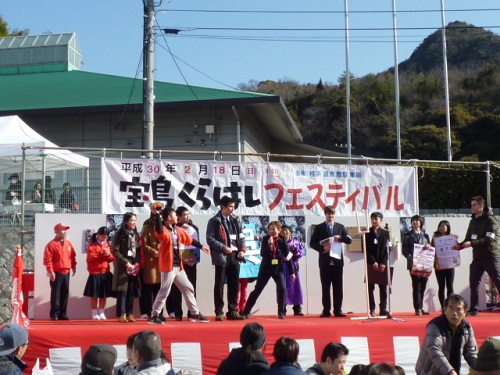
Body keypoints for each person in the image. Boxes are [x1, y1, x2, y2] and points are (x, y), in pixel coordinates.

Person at [149, 207, 210, 324]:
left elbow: (190, 240)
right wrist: (157, 215)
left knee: (188, 288)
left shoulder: (177, 229)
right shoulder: (163, 229)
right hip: (168, 265)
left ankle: (194, 313)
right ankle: (155, 314)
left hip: (178, 266)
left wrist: (202, 247)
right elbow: (159, 231)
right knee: (164, 290)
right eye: (175, 215)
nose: (177, 217)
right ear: (169, 218)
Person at [456, 196, 500, 316]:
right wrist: (459, 246)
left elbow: (489, 239)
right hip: (477, 258)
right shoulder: (473, 221)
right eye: (471, 205)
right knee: (474, 283)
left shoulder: (491, 220)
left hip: (491, 256)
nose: (472, 207)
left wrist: (472, 243)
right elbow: (468, 239)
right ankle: (473, 309)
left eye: (474, 205)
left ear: (481, 206)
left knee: (498, 281)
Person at [243, 221, 295, 319]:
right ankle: (246, 311)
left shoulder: (282, 240)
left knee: (282, 288)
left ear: (278, 230)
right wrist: (269, 245)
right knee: (257, 289)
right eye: (270, 229)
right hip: (265, 269)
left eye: (273, 229)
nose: (271, 231)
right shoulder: (265, 239)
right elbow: (263, 253)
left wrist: (292, 272)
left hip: (277, 268)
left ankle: (281, 312)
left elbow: (288, 256)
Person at [415, 294, 477, 375]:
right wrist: (449, 371)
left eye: (459, 309)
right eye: (451, 308)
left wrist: (479, 369)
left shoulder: (467, 327)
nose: (454, 313)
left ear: (465, 312)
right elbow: (434, 350)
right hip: (429, 371)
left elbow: (471, 352)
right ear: (445, 310)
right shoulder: (435, 326)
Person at [206, 196, 246, 321]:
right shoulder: (214, 221)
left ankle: (233, 310)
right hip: (222, 255)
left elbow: (242, 236)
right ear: (222, 206)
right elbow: (210, 239)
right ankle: (219, 311)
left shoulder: (235, 220)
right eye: (230, 206)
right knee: (219, 284)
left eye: (234, 206)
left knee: (234, 284)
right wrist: (223, 247)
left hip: (235, 255)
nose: (232, 209)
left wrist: (242, 250)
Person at [309, 205, 352, 318]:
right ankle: (326, 310)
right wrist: (323, 248)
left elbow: (349, 240)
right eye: (328, 213)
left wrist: (340, 238)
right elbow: (312, 243)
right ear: (325, 214)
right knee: (325, 287)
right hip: (325, 261)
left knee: (338, 287)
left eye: (332, 213)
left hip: (337, 262)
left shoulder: (340, 227)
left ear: (334, 214)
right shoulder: (319, 228)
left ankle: (338, 310)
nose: (330, 215)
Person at [168, 206, 202, 321]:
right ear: (178, 217)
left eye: (189, 214)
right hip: (179, 261)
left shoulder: (194, 228)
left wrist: (194, 259)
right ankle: (178, 313)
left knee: (191, 287)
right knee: (177, 288)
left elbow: (195, 244)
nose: (188, 217)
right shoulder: (174, 228)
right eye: (185, 215)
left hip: (192, 261)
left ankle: (192, 312)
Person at [43, 222, 77, 320]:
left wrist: (74, 266)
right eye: (62, 230)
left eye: (65, 230)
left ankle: (63, 313)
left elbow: (72, 256)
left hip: (66, 272)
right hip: (57, 272)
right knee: (56, 294)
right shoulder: (51, 245)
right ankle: (55, 314)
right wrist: (51, 271)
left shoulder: (68, 243)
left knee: (65, 293)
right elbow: (47, 260)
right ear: (56, 231)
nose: (65, 232)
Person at [112, 212, 141, 323]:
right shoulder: (119, 234)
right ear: (126, 221)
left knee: (130, 291)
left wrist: (136, 262)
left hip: (133, 265)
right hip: (123, 266)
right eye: (131, 221)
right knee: (123, 291)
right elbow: (115, 251)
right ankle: (122, 314)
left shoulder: (135, 234)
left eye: (135, 221)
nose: (133, 223)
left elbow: (137, 249)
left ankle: (129, 313)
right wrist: (126, 263)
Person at [83, 226, 115, 320]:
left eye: (105, 237)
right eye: (102, 236)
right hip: (95, 272)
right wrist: (102, 253)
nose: (103, 238)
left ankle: (101, 311)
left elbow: (111, 259)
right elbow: (90, 257)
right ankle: (94, 312)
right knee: (94, 295)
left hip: (105, 271)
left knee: (103, 294)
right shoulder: (92, 245)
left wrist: (108, 254)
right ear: (98, 235)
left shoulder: (108, 245)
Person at [402, 214, 431, 316]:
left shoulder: (426, 236)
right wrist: (412, 259)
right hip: (413, 264)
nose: (415, 222)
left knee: (423, 286)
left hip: (424, 264)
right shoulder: (407, 235)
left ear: (421, 223)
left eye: (417, 221)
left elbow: (430, 249)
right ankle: (417, 308)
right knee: (416, 286)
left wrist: (429, 246)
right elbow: (404, 250)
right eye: (413, 221)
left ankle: (421, 306)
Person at [364, 212, 391, 317]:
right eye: (373, 219)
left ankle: (383, 308)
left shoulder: (385, 233)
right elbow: (366, 249)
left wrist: (383, 262)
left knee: (383, 287)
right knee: (370, 287)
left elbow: (387, 249)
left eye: (377, 219)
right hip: (371, 263)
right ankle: (371, 308)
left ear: (381, 220)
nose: (375, 221)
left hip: (382, 264)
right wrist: (373, 261)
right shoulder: (367, 232)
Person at [140, 202, 164, 320]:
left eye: (159, 209)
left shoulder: (165, 225)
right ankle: (147, 311)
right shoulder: (147, 225)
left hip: (163, 259)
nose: (157, 211)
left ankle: (159, 312)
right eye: (154, 209)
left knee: (161, 287)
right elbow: (144, 244)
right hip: (151, 259)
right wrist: (154, 251)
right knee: (149, 286)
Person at [281, 224, 305, 316]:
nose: (284, 232)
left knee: (295, 287)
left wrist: (294, 251)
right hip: (282, 266)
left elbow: (300, 254)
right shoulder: (279, 242)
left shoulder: (295, 241)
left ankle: (297, 308)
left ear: (290, 231)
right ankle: (282, 308)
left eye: (286, 230)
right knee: (283, 287)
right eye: (282, 230)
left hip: (293, 267)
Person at [431, 220, 456, 309]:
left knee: (450, 285)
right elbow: (432, 249)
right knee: (441, 286)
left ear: (448, 228)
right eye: (441, 226)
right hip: (439, 265)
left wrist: (457, 242)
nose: (442, 228)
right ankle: (443, 307)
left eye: (444, 226)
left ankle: (450, 306)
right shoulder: (435, 238)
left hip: (450, 265)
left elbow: (457, 249)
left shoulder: (452, 237)